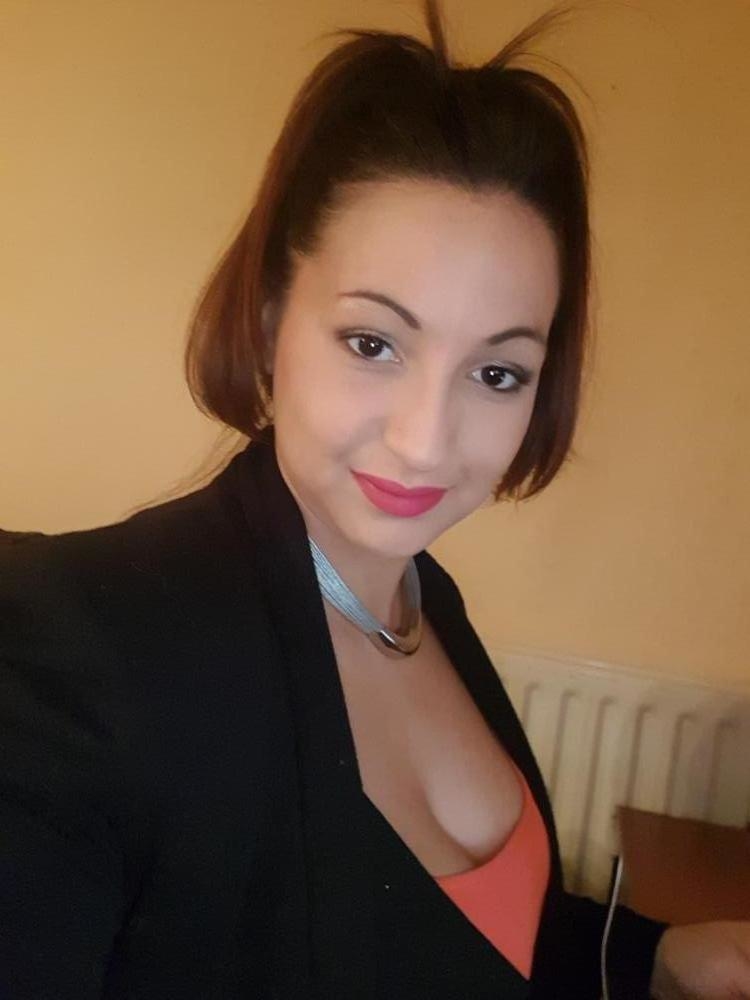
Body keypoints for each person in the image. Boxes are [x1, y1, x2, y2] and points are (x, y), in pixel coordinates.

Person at [1, 2, 749, 998]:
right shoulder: (81, 646)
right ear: (272, 314)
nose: (426, 440)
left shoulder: (424, 601)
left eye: (497, 372)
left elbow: (468, 931)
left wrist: (654, 956)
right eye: (373, 343)